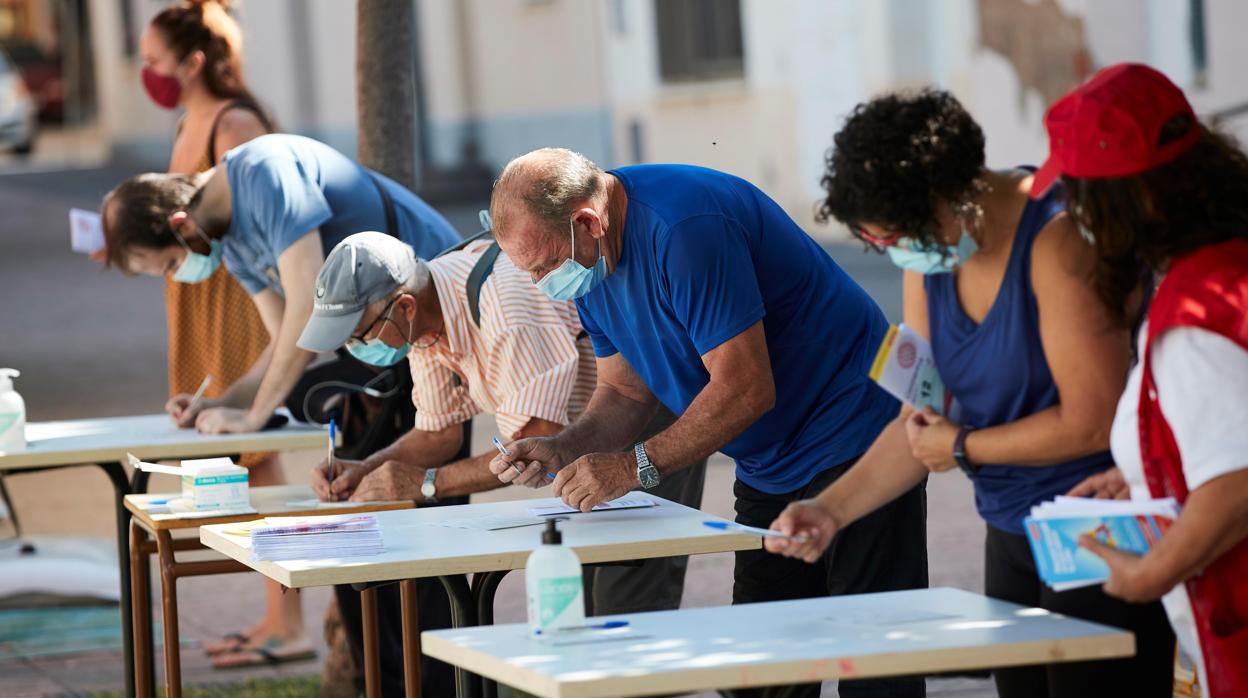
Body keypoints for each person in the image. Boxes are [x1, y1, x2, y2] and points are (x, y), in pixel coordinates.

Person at [765, 89, 1175, 698]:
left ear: (949, 199)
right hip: (1009, 532)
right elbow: (921, 430)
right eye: (877, 244)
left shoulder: (1059, 240)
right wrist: (832, 509)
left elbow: (1093, 422)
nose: (891, 252)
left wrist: (966, 448)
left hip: (1095, 526)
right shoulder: (926, 261)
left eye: (895, 236)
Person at [488, 149, 925, 698]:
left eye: (544, 267)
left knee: (876, 658)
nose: (541, 284)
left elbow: (745, 388)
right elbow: (625, 390)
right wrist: (564, 446)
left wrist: (635, 466)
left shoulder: (684, 229)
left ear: (586, 221)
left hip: (855, 429)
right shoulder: (589, 259)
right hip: (769, 461)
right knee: (764, 672)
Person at [294, 230, 708, 694]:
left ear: (404, 307)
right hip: (582, 433)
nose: (355, 348)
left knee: (624, 605)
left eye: (360, 333)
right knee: (578, 617)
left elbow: (534, 448)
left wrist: (426, 484)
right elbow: (438, 431)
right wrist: (365, 468)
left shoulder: (506, 308)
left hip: (644, 413)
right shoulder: (425, 325)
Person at [1043, 63, 1248, 698]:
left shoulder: (1194, 308)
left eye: (1078, 199)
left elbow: (1236, 482)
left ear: (1121, 203)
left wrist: (1147, 575)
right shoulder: (1228, 259)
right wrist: (1145, 473)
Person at [132, 0, 311, 668]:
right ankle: (273, 616)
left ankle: (286, 622)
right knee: (227, 456)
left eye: (152, 60)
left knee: (256, 454)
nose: (145, 73)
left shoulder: (234, 122)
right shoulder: (189, 119)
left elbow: (261, 217)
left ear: (193, 60)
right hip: (196, 300)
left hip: (240, 299)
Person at [99, 133, 461, 440]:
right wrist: (225, 403)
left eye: (172, 264)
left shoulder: (266, 173)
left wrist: (255, 416)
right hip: (381, 327)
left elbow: (303, 312)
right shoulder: (231, 243)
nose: (179, 276)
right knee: (312, 402)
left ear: (182, 224)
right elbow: (283, 342)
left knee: (324, 405)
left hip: (430, 301)